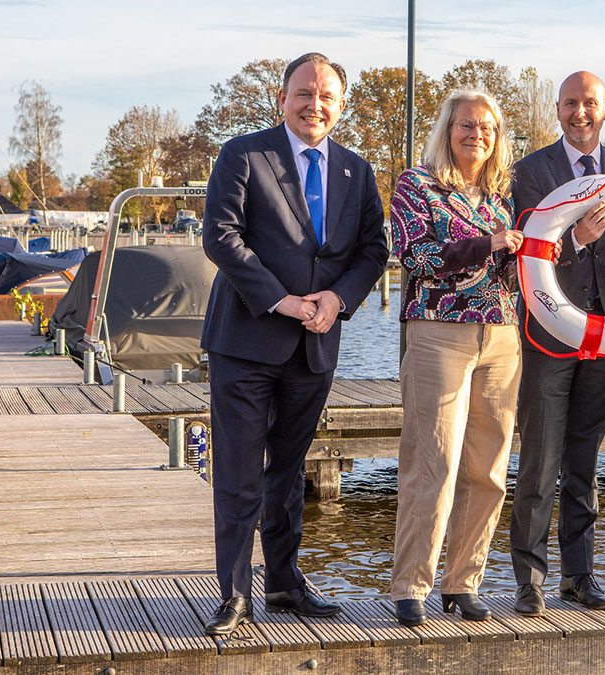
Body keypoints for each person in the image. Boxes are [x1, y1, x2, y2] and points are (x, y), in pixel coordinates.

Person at [199, 52, 389, 635]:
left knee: (288, 470)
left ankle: (283, 581)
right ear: (281, 98)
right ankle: (233, 594)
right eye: (304, 93)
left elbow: (372, 250)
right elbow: (220, 237)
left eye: (327, 96)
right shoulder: (244, 154)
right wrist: (281, 299)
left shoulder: (357, 171)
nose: (315, 105)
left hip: (315, 344)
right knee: (238, 473)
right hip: (248, 338)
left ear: (340, 105)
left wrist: (338, 300)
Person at [386, 90, 524, 627]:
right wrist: (489, 244)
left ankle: (462, 582)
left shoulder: (499, 197)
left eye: (487, 128)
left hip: (502, 335)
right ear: (447, 130)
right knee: (432, 463)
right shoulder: (415, 185)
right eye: (467, 125)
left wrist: (533, 251)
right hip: (438, 333)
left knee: (487, 469)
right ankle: (411, 585)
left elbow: (508, 272)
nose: (477, 135)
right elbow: (415, 255)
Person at [509, 71, 605, 616]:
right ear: (557, 109)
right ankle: (531, 579)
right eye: (569, 104)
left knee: (585, 458)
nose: (579, 113)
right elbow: (528, 248)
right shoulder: (530, 170)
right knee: (540, 459)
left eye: (589, 103)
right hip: (548, 330)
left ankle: (580, 576)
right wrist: (574, 238)